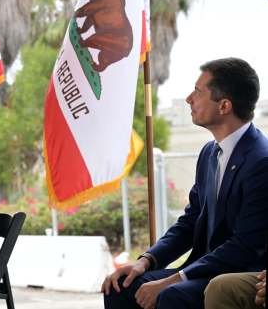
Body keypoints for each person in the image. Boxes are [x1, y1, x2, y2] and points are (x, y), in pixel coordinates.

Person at [101, 58, 268, 309]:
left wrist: (174, 279)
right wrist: (146, 260)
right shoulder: (209, 154)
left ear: (224, 106)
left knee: (171, 295)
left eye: (198, 92)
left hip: (234, 274)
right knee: (120, 286)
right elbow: (190, 222)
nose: (189, 98)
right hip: (199, 268)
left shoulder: (261, 161)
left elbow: (244, 247)